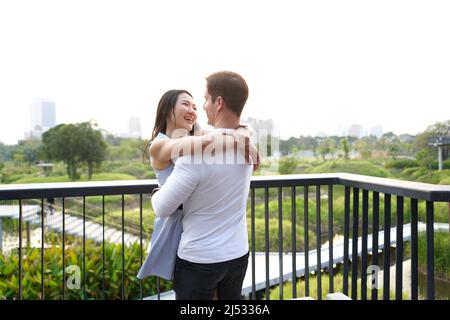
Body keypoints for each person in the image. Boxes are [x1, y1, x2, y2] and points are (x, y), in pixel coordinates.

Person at [137, 88, 258, 284]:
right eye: (185, 104)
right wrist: (242, 138)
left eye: (195, 106)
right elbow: (213, 140)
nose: (192, 110)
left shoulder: (196, 137)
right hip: (176, 224)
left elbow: (233, 131)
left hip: (198, 223)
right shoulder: (159, 145)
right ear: (168, 110)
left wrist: (244, 133)